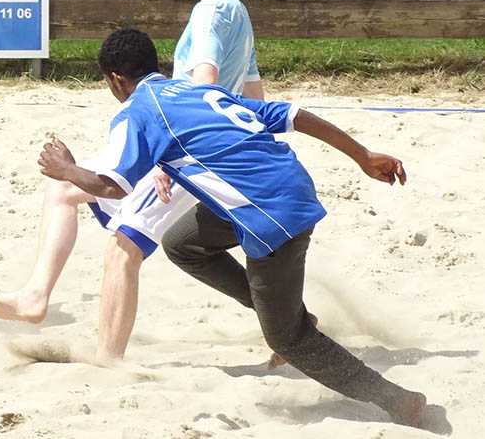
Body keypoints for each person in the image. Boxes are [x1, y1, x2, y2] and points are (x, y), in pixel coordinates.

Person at [36, 28, 427, 427]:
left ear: (115, 79)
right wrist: (362, 155)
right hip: (293, 185)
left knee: (287, 339)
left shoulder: (137, 110)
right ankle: (288, 314)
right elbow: (292, 115)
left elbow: (110, 186)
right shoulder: (195, 92)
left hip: (269, 214)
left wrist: (66, 169)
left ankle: (397, 400)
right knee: (182, 243)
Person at [0, 0, 267, 362]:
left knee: (123, 248)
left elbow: (203, 85)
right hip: (212, 153)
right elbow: (253, 92)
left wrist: (167, 158)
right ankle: (36, 296)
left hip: (192, 157)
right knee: (63, 189)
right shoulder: (236, 11)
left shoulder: (211, 12)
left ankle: (107, 361)